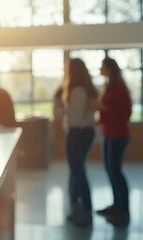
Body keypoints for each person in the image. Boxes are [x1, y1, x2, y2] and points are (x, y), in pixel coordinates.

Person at [95, 57, 132, 226]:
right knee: (110, 170)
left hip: (118, 135)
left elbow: (126, 112)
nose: (100, 70)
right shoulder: (109, 86)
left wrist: (106, 109)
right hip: (109, 133)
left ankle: (124, 209)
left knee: (116, 171)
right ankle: (117, 205)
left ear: (109, 68)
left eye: (102, 67)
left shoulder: (119, 88)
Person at [61, 58, 98, 226]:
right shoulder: (88, 89)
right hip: (87, 133)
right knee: (78, 170)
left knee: (78, 171)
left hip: (77, 133)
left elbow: (74, 118)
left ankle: (86, 209)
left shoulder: (77, 91)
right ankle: (80, 206)